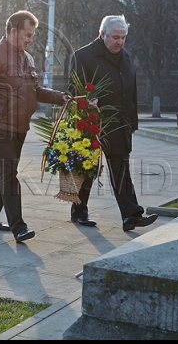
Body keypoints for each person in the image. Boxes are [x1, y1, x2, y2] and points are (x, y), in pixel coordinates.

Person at [0, 10, 69, 243]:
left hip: (20, 126)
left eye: (32, 35)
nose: (30, 39)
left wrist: (60, 97)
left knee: (3, 170)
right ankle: (19, 227)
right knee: (9, 174)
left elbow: (35, 91)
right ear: (13, 31)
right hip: (0, 125)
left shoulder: (27, 58)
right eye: (27, 35)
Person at [67, 15, 157, 231]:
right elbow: (72, 90)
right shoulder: (83, 56)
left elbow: (131, 92)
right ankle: (79, 212)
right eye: (115, 37)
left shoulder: (126, 57)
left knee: (121, 170)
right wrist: (86, 101)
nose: (120, 42)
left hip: (119, 125)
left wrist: (132, 122)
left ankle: (131, 215)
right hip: (90, 125)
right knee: (87, 170)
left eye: (124, 37)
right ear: (102, 34)